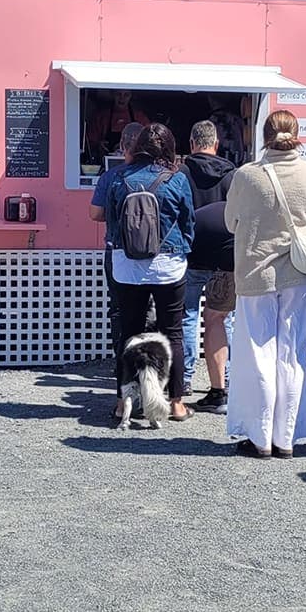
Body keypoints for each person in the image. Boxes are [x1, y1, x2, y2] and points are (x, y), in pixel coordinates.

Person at [224, 109, 306, 458]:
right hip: (298, 272)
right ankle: (286, 438)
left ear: (263, 136)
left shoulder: (247, 175)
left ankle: (260, 437)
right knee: (291, 354)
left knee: (259, 355)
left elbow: (231, 222)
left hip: (256, 273)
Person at [107, 123, 195, 422]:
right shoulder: (177, 179)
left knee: (128, 333)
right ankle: (177, 403)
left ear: (138, 146)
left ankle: (123, 404)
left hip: (127, 266)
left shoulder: (119, 177)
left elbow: (112, 222)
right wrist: (181, 248)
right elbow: (188, 222)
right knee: (173, 333)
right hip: (168, 265)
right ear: (169, 147)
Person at [179, 120, 237, 396]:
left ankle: (185, 377)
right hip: (225, 258)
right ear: (216, 144)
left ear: (192, 144)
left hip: (191, 255)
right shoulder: (232, 175)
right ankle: (227, 376)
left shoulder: (181, 173)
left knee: (188, 317)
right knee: (224, 319)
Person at [88, 122, 144, 362]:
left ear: (122, 146)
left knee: (119, 307)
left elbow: (95, 214)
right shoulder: (162, 174)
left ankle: (122, 361)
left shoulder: (111, 176)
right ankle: (146, 360)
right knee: (149, 306)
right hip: (152, 252)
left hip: (116, 249)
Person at [188, 201, 235, 415]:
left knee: (203, 318)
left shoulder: (196, 217)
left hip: (207, 260)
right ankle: (230, 382)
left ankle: (187, 381)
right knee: (226, 320)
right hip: (243, 261)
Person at [86, 90, 149, 164]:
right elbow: (90, 142)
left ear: (131, 96)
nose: (122, 98)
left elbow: (149, 141)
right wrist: (99, 145)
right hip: (107, 162)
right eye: (118, 94)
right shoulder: (102, 116)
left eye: (126, 95)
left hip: (134, 163)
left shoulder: (140, 117)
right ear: (113, 95)